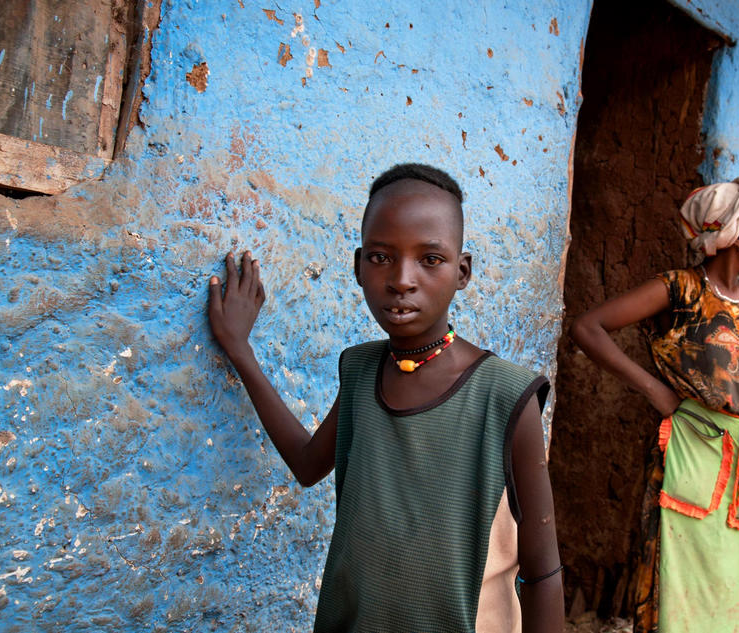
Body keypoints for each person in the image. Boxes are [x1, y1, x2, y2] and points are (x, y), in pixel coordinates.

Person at [207, 163, 564, 632]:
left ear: (463, 271)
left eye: (430, 260)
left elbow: (542, 574)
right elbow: (308, 463)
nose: (401, 279)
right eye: (380, 257)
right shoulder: (360, 372)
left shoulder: (505, 397)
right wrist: (240, 349)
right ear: (357, 266)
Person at [570, 175, 739, 633]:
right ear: (737, 236)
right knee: (683, 574)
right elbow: (588, 327)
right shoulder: (680, 291)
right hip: (696, 453)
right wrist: (655, 390)